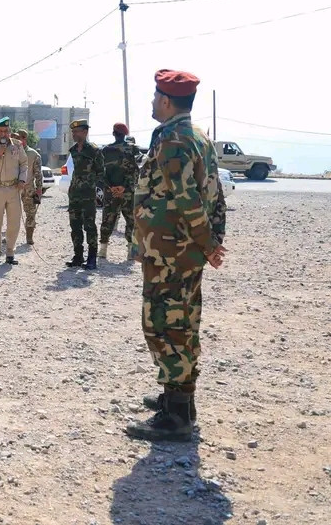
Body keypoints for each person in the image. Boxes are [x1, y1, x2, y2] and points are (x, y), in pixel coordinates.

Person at [126, 69, 226, 442]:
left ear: (166, 101)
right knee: (184, 322)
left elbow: (188, 199)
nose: (153, 102)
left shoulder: (173, 140)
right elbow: (215, 194)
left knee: (163, 325)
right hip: (179, 249)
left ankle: (176, 418)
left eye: (155, 97)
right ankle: (179, 399)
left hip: (172, 250)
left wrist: (209, 244)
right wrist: (212, 240)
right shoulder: (198, 136)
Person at [0, 117, 28, 264]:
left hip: (13, 188)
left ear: (9, 131)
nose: (3, 134)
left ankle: (10, 253)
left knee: (14, 222)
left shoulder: (17, 145)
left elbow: (24, 163)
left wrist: (22, 179)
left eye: (5, 131)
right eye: (0, 131)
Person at [65, 119, 105, 270]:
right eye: (73, 132)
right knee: (75, 226)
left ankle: (92, 258)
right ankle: (78, 256)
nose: (74, 134)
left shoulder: (94, 151)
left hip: (88, 194)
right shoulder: (74, 150)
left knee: (89, 226)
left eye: (76, 132)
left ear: (85, 132)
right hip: (74, 193)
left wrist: (94, 188)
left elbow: (101, 173)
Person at [99, 122, 141, 261]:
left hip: (110, 192)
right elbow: (135, 170)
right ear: (125, 134)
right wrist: (123, 187)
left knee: (107, 219)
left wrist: (111, 186)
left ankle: (103, 249)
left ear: (113, 133)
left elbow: (101, 172)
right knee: (131, 220)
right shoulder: (133, 149)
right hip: (127, 192)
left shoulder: (106, 150)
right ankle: (130, 250)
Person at [13, 129, 42, 246]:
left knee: (30, 213)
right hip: (13, 189)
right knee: (12, 214)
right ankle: (11, 236)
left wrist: (39, 189)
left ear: (24, 139)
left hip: (28, 188)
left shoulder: (33, 154)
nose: (15, 140)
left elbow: (38, 173)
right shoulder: (11, 152)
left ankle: (29, 237)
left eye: (18, 138)